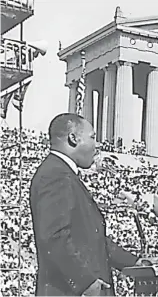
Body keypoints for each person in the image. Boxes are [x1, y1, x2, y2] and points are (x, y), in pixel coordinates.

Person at [29, 113, 148, 296]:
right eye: (92, 137)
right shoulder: (54, 176)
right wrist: (84, 282)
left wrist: (134, 262)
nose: (97, 144)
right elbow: (54, 238)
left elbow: (92, 239)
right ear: (73, 138)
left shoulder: (63, 173)